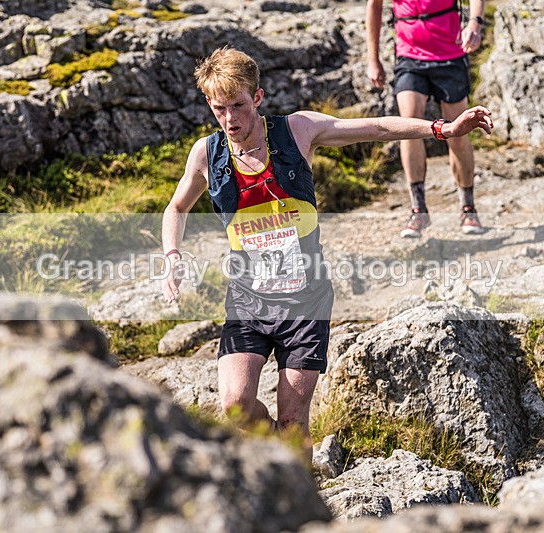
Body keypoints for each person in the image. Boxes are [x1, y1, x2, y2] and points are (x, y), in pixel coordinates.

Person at [161, 46, 492, 461]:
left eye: (238, 106)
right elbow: (176, 207)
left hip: (306, 301)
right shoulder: (206, 154)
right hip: (248, 300)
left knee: (293, 420)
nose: (230, 119)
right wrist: (172, 254)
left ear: (257, 98)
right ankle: (277, 450)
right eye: (219, 109)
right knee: (235, 405)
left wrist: (444, 128)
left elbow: (376, 128)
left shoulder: (298, 130)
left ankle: (300, 489)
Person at [366, 0, 487, 237]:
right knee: (409, 126)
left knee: (458, 133)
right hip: (409, 56)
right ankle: (418, 210)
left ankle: (468, 208)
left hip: (450, 55)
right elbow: (374, 5)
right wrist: (373, 59)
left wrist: (475, 23)